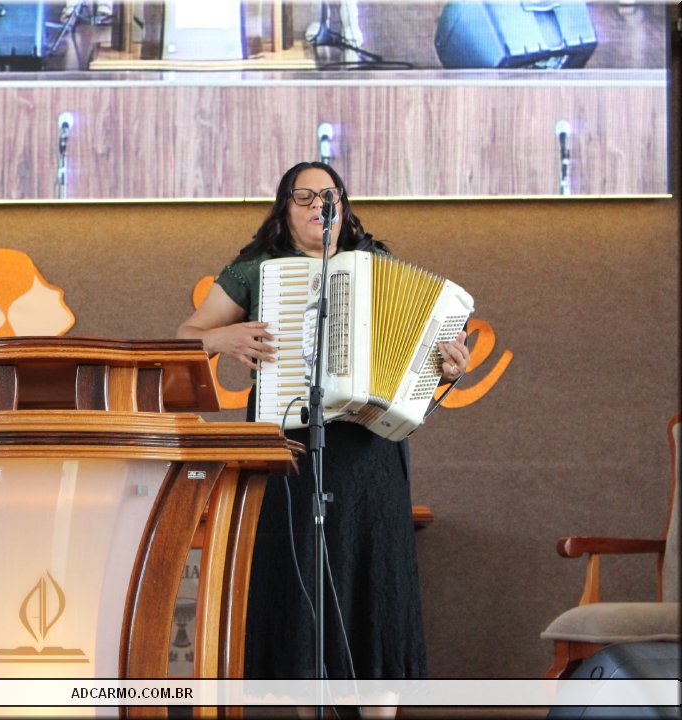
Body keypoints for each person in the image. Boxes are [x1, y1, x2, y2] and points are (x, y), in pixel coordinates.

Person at [177, 162, 469, 685]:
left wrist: (446, 368)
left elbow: (415, 367)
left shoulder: (377, 265)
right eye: (304, 196)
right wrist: (222, 338)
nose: (318, 206)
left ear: (344, 208)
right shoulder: (256, 269)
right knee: (297, 577)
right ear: (284, 208)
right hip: (288, 447)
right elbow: (183, 338)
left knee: (377, 577)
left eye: (328, 196)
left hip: (369, 451)